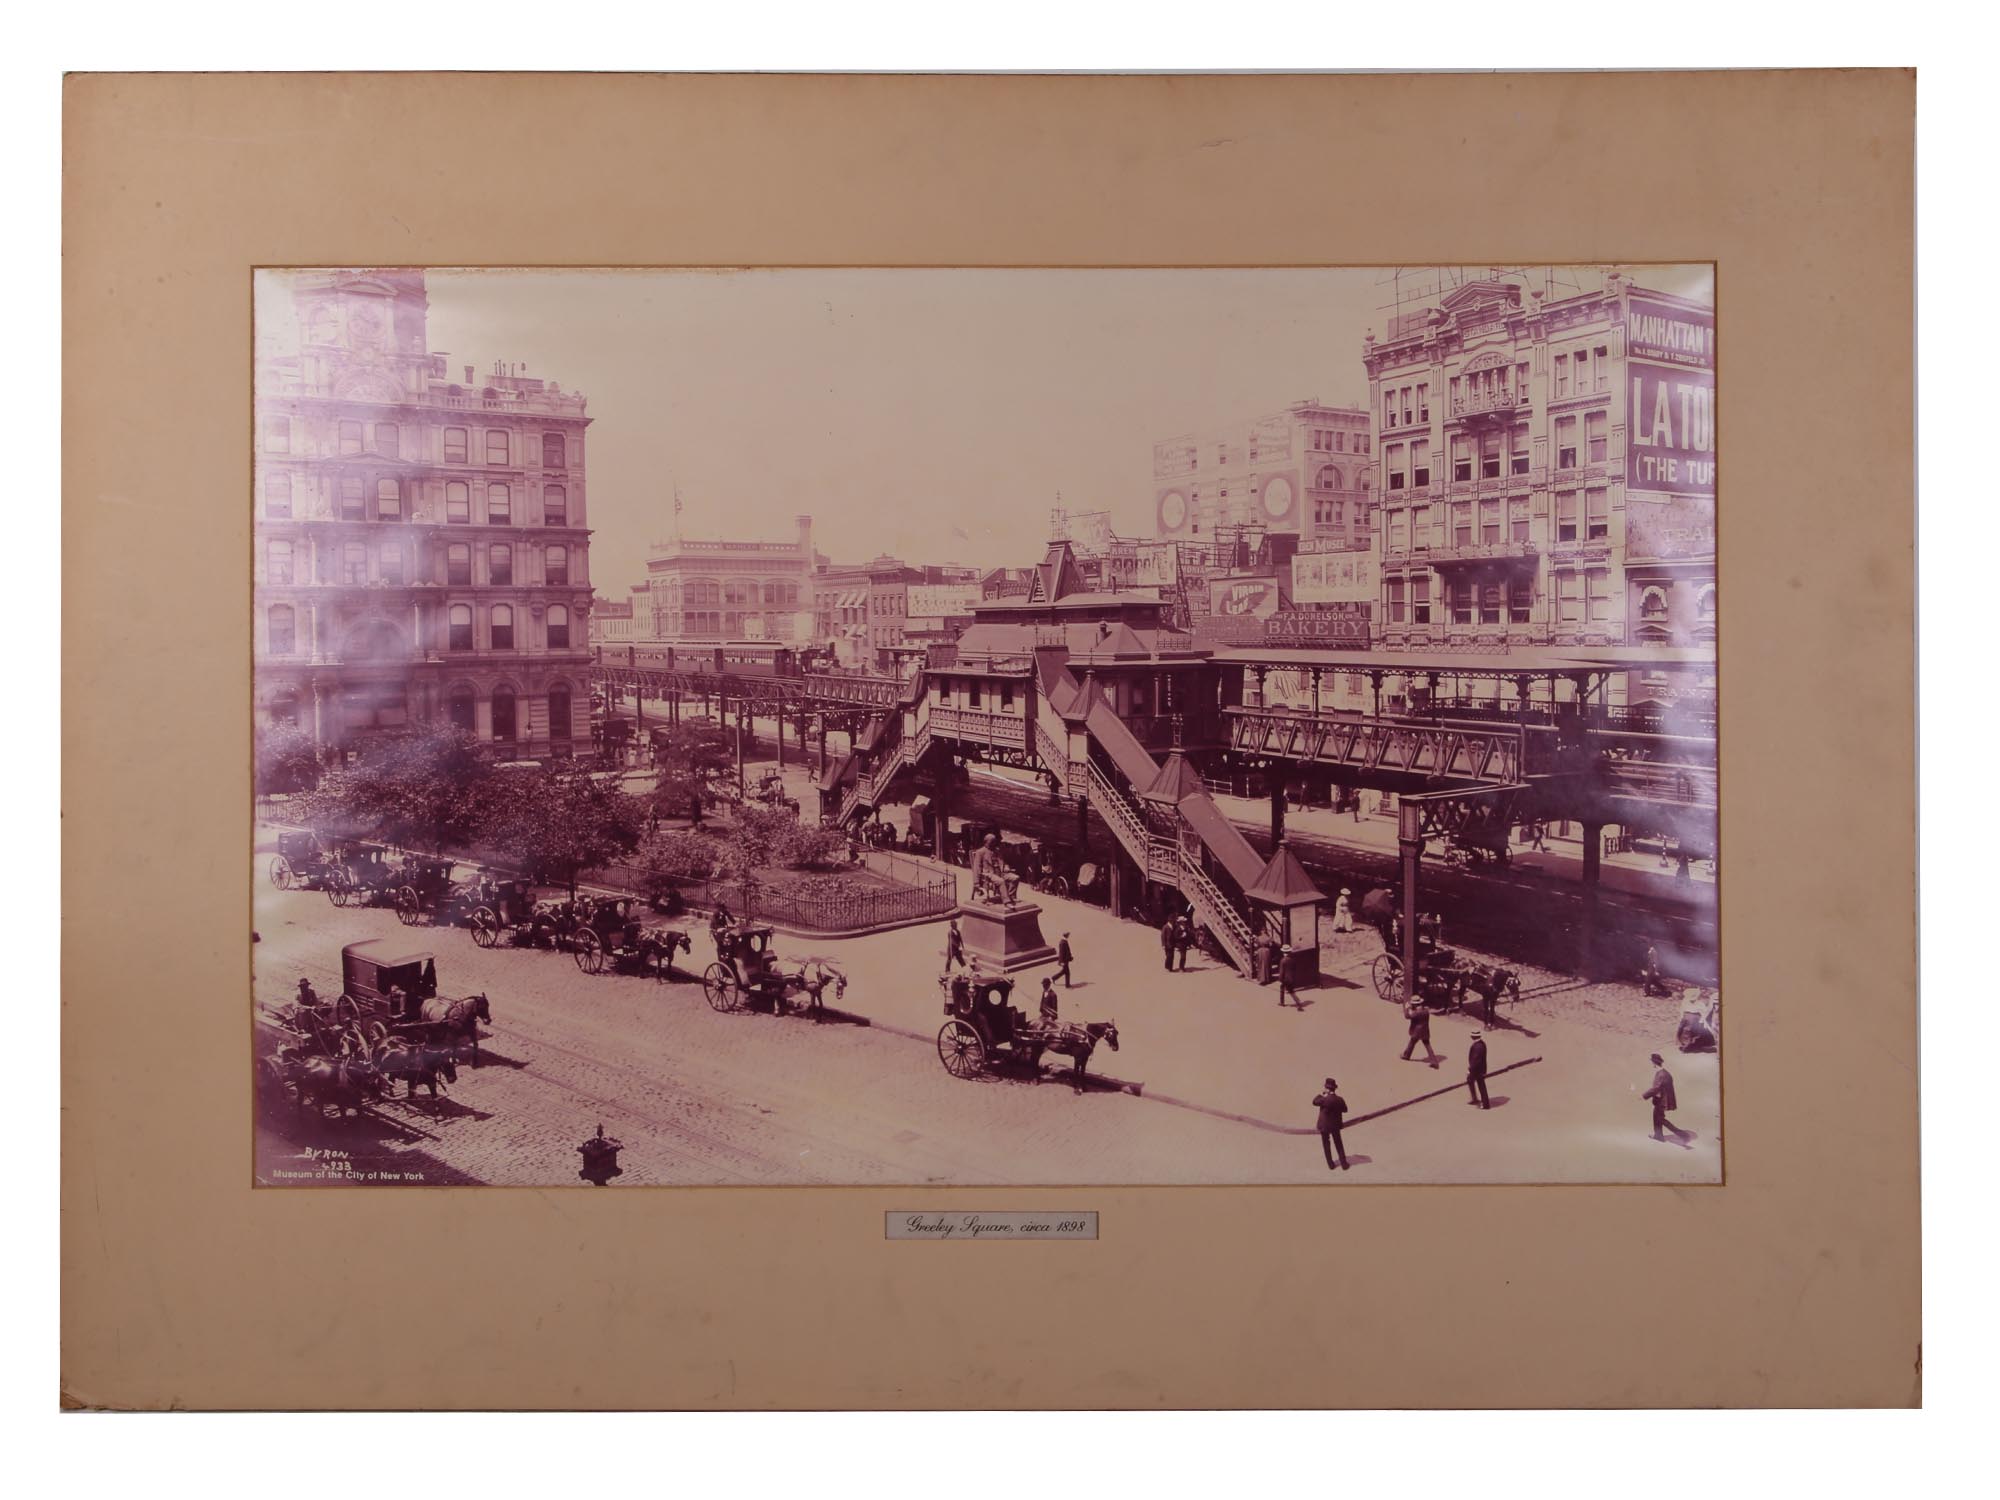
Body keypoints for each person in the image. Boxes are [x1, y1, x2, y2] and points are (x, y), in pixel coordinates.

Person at [1643, 1053, 1691, 1142]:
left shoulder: (1661, 1075)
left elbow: (1656, 1089)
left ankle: (1683, 1135)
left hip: (1661, 1101)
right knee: (1656, 1117)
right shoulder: (1665, 1073)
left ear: (1654, 1063)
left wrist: (1643, 1096)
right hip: (1661, 1100)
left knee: (1660, 1119)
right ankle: (1658, 1136)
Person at [1312, 1078, 1350, 1171]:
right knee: (1338, 1143)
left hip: (1324, 1126)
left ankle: (1331, 1165)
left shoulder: (1324, 1099)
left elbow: (1314, 1101)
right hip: (1336, 1125)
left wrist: (1322, 1095)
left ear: (1328, 1089)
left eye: (1325, 1087)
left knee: (1326, 1144)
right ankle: (1344, 1164)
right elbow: (1345, 1110)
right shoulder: (1340, 1099)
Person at [1399, 996, 1439, 1066]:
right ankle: (1434, 1061)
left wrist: (1406, 1008)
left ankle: (1406, 1056)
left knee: (1411, 1043)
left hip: (1416, 1031)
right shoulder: (1426, 1010)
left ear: (1415, 1004)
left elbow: (1407, 1016)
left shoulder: (1417, 1013)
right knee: (1427, 1045)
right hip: (1425, 1030)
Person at [1466, 1031, 1491, 1109]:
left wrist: (1470, 1069)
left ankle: (1484, 1104)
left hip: (1477, 1070)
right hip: (1480, 1068)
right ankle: (1475, 1099)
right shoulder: (1481, 1044)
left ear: (1473, 1036)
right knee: (1471, 1080)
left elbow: (1475, 1060)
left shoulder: (1477, 1046)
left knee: (1480, 1085)